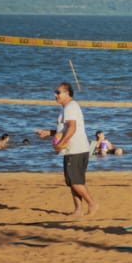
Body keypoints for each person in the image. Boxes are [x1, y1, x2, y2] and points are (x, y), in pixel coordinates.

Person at [37, 83, 97, 217]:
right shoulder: (68, 108)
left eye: (58, 92)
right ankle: (78, 209)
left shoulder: (70, 107)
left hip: (75, 149)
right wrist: (49, 133)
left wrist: (60, 144)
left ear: (67, 93)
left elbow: (72, 128)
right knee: (74, 181)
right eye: (55, 92)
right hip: (77, 149)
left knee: (74, 181)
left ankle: (92, 203)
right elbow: (64, 129)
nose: (55, 95)